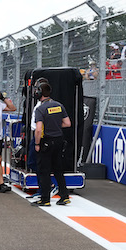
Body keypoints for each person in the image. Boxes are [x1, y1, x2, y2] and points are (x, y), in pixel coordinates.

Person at [31, 79, 71, 207]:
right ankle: (64, 196)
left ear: (39, 93)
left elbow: (38, 130)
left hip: (46, 141)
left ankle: (45, 199)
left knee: (44, 171)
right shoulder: (59, 105)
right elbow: (67, 123)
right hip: (59, 140)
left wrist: (37, 144)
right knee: (58, 169)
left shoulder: (40, 109)